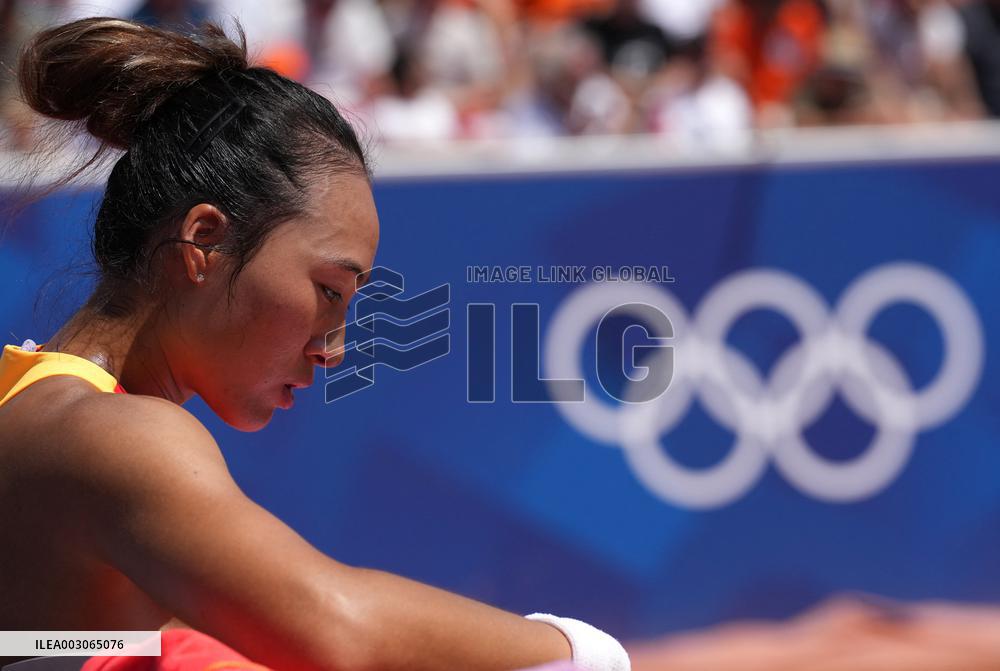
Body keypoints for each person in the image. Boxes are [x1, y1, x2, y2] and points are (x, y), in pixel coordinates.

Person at [0, 17, 629, 671]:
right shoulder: (114, 434)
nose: (335, 348)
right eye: (330, 289)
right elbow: (337, 629)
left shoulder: (41, 403)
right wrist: (585, 651)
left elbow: (54, 646)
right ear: (205, 242)